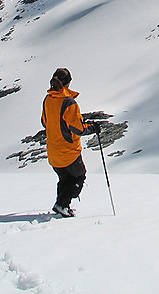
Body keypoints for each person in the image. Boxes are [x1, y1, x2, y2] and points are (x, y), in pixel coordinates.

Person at [41, 67, 99, 217]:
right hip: (68, 152)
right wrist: (92, 127)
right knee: (79, 176)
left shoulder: (48, 99)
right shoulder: (69, 103)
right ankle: (62, 204)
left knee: (65, 178)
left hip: (53, 151)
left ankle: (61, 205)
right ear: (69, 82)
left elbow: (44, 122)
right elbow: (78, 128)